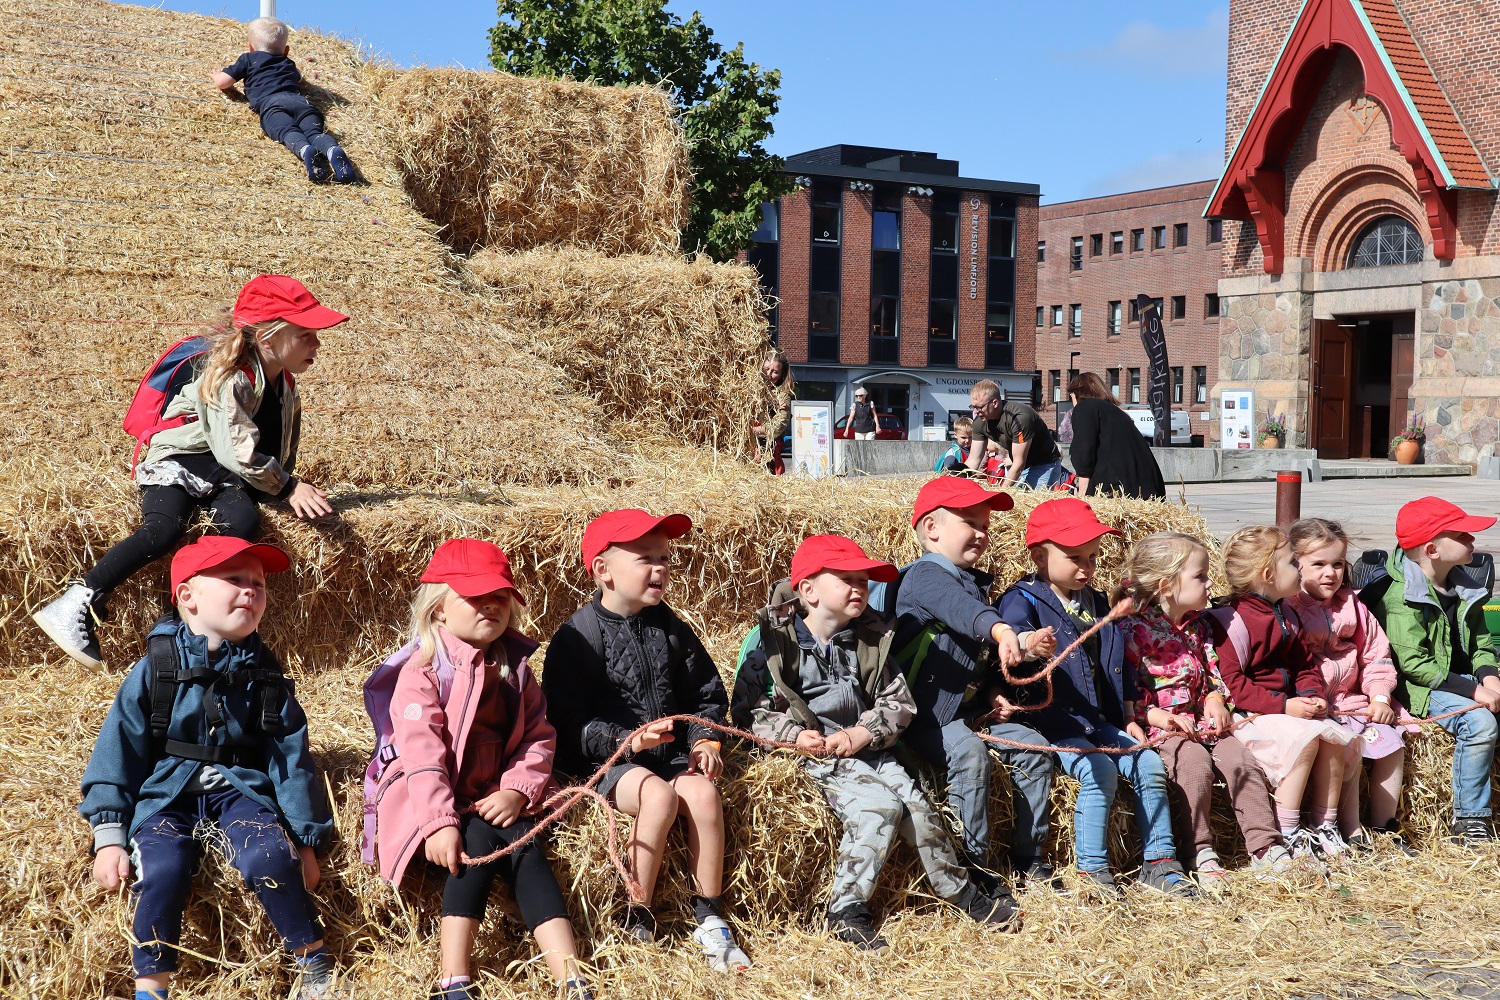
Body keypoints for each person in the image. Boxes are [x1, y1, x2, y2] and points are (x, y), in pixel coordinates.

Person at [33, 276, 343, 670]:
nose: (317, 344)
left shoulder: (284, 383)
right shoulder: (231, 375)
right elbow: (236, 448)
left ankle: (179, 629)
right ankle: (80, 598)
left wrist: (275, 488)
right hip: (183, 458)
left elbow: (280, 445)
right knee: (164, 529)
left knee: (243, 528)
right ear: (268, 336)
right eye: (306, 334)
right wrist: (287, 486)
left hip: (226, 471)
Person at [79, 537, 342, 1000]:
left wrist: (304, 840)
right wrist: (109, 838)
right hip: (168, 795)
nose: (251, 591)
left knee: (268, 856)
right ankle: (151, 985)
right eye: (234, 580)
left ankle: (314, 962)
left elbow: (290, 759)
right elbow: (117, 750)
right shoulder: (155, 669)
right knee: (162, 866)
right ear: (187, 596)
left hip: (240, 791)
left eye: (258, 584)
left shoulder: (266, 674)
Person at [732, 535, 1019, 953]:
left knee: (920, 810)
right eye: (846, 579)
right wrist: (795, 736)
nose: (859, 588)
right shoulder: (773, 646)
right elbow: (748, 710)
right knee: (878, 809)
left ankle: (959, 890)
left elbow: (898, 701)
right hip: (819, 754)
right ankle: (846, 910)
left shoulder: (870, 638)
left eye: (863, 580)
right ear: (807, 591)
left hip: (869, 746)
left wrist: (864, 732)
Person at [372, 539, 591, 1000]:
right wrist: (437, 824)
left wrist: (517, 790)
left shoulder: (516, 668)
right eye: (474, 596)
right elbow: (423, 756)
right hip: (442, 801)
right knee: (472, 845)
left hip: (495, 795)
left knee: (525, 846)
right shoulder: (424, 671)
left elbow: (538, 736)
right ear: (438, 611)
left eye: (500, 595)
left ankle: (570, 977)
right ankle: (453, 977)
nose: (491, 604)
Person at [542, 509, 750, 971]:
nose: (660, 568)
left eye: (665, 558)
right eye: (644, 559)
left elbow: (705, 693)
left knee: (702, 793)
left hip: (672, 753)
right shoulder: (577, 638)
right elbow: (563, 722)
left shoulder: (670, 627)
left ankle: (710, 916)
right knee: (657, 798)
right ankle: (638, 912)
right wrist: (624, 740)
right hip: (608, 764)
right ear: (603, 571)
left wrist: (703, 741)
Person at [998, 499, 1197, 899]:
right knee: (1099, 772)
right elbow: (1014, 637)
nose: (1086, 567)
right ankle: (1092, 870)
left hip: (1097, 719)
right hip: (1053, 722)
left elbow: (1115, 667)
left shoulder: (1097, 604)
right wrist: (1029, 644)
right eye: (1074, 557)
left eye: (1092, 557)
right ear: (1039, 556)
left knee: (1148, 762)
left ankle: (1159, 862)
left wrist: (1125, 717)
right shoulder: (1024, 599)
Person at [893, 477, 1057, 889]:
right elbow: (964, 613)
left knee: (1035, 747)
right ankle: (973, 864)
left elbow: (972, 659)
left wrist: (991, 692)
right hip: (922, 718)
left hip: (965, 714)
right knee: (968, 755)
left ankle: (1029, 857)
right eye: (971, 522)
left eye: (986, 526)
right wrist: (1006, 633)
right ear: (932, 528)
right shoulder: (924, 578)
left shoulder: (972, 582)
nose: (983, 534)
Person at [1117, 532, 1290, 885]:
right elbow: (1126, 692)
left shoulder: (1198, 626)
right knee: (1193, 766)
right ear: (1166, 586)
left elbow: (1214, 674)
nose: (1210, 584)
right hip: (1163, 728)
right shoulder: (1132, 630)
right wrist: (1157, 716)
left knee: (1242, 761)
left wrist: (1215, 699)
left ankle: (1265, 847)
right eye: (1200, 576)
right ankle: (1198, 850)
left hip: (1204, 723)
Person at [1206, 526, 1357, 864]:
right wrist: (1284, 704)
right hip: (1254, 713)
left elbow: (1304, 665)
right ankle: (1287, 828)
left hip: (1287, 708)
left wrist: (1312, 693)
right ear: (1267, 574)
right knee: (1307, 738)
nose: (1300, 570)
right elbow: (1232, 683)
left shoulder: (1286, 613)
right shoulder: (1231, 621)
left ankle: (1325, 825)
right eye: (1293, 563)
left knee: (1334, 737)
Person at [1365, 496, 1500, 845]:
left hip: (1461, 681)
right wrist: (1474, 692)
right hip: (1418, 688)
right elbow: (1413, 666)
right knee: (1480, 723)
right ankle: (1470, 821)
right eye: (1464, 535)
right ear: (1432, 550)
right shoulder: (1400, 598)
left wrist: (1490, 677)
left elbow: (1482, 642)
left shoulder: (1466, 587)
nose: (1473, 541)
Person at [1286, 519, 1416, 853]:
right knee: (1347, 748)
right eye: (1318, 564)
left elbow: (1376, 655)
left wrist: (1380, 696)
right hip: (1313, 706)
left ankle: (1385, 824)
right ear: (1293, 565)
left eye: (1338, 564)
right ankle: (1349, 827)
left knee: (1391, 743)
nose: (1330, 573)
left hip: (1353, 702)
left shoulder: (1353, 606)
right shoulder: (1288, 609)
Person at [211, 17, 357, 183]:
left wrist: (216, 75)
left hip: (273, 105)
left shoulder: (249, 59)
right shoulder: (289, 63)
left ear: (251, 47)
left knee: (287, 130)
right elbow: (299, 78)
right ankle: (332, 150)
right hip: (302, 103)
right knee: (315, 133)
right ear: (286, 50)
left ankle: (305, 150)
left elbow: (224, 82)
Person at [1066, 372, 1165, 500]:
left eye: (1071, 396)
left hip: (1117, 490)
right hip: (1146, 487)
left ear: (1076, 393)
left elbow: (1085, 448)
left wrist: (1082, 491)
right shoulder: (1117, 412)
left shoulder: (1085, 407)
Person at [965, 380, 1065, 490]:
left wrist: (1001, 492)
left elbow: (1019, 463)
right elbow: (974, 459)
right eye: (973, 407)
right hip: (1019, 465)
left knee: (1030, 502)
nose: (975, 412)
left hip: (1044, 464)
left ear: (995, 403)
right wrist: (957, 481)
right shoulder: (980, 422)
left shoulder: (1019, 418)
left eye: (979, 407)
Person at [756, 349, 794, 475]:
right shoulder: (751, 390)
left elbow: (776, 429)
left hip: (767, 454)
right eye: (767, 369)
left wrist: (750, 431)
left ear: (781, 375)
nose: (769, 374)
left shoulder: (783, 396)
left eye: (775, 372)